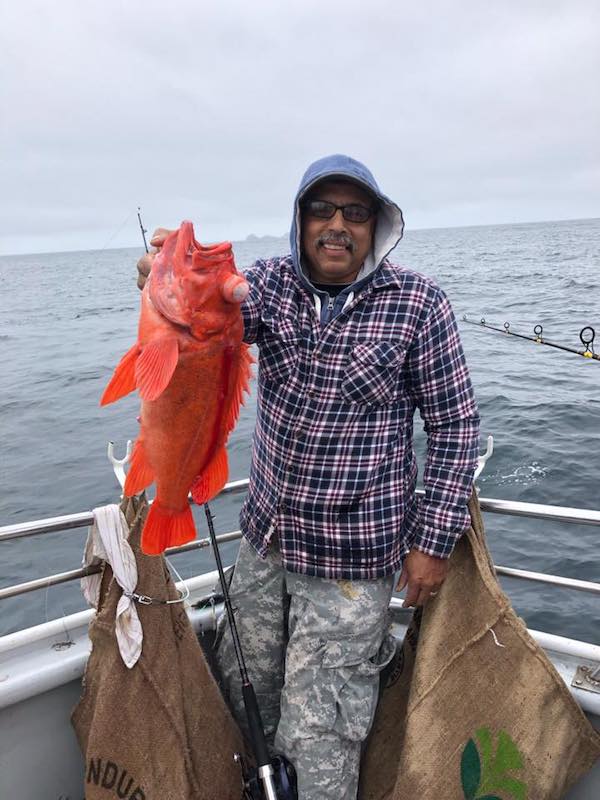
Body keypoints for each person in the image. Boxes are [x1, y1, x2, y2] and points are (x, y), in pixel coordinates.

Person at [137, 154, 480, 800]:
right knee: (244, 699)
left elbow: (457, 427)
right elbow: (216, 308)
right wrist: (161, 277)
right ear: (299, 222)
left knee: (320, 738)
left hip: (352, 569)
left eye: (355, 213)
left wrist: (433, 544)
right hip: (265, 548)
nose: (337, 226)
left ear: (377, 226)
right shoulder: (268, 287)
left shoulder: (420, 306)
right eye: (322, 210)